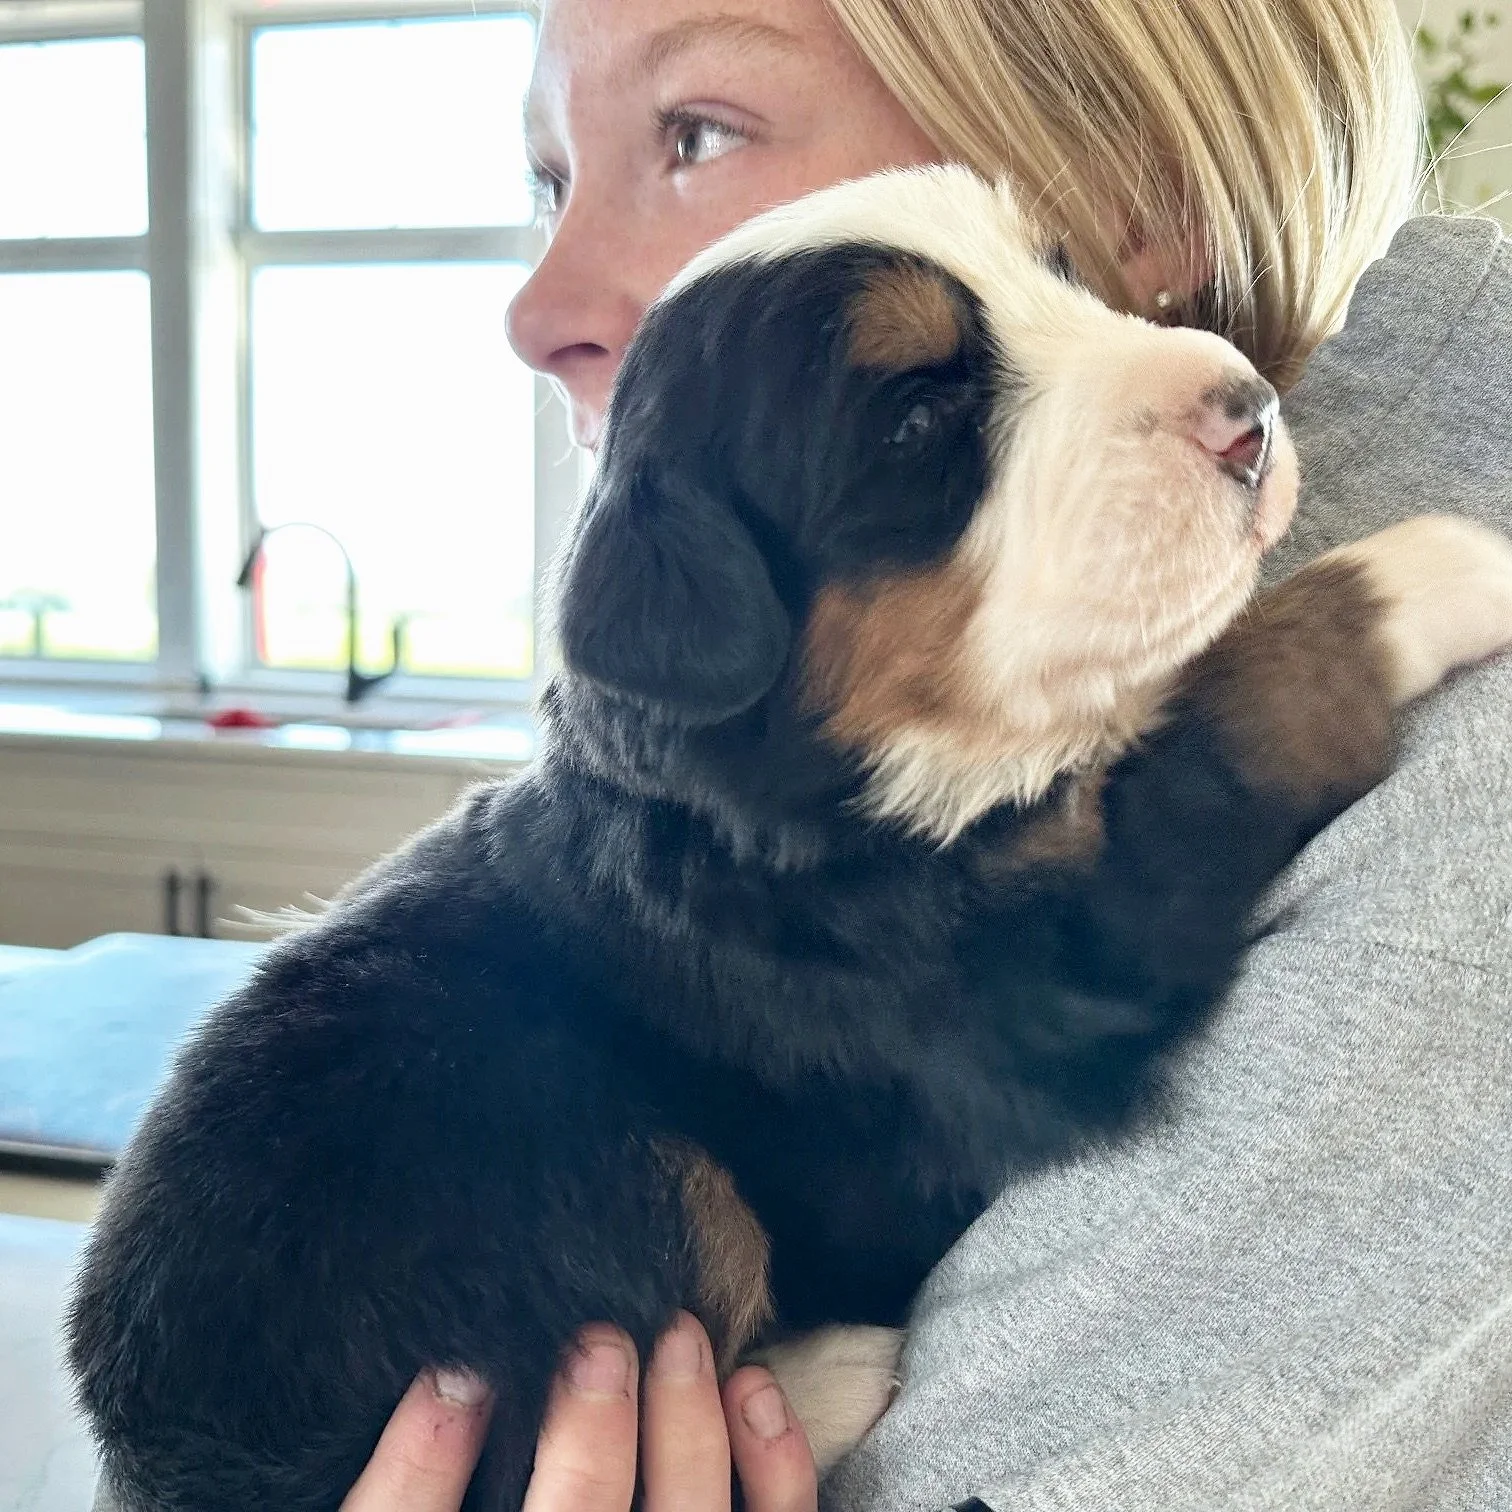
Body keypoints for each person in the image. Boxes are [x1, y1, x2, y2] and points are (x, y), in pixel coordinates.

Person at [93, 0, 1511, 1507]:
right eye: (550, 179)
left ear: (1133, 167)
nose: (537, 303)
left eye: (696, 133)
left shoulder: (1453, 807)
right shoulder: (799, 705)